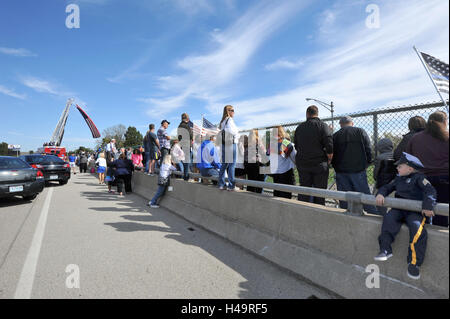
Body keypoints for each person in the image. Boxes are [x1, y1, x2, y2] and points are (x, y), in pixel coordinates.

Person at [374, 152, 437, 280]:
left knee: (417, 228)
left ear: (410, 168)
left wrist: (428, 205)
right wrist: (380, 194)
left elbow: (430, 191)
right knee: (389, 219)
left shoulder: (419, 178)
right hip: (399, 209)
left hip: (414, 212)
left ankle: (414, 263)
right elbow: (387, 187)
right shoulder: (398, 178)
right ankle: (385, 249)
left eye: (400, 166)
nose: (397, 168)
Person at [406, 111, 449, 227]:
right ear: (445, 122)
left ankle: (423, 235)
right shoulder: (447, 136)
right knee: (442, 213)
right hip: (445, 179)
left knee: (424, 211)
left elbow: (408, 160)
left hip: (423, 179)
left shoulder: (415, 138)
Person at [331, 116, 378, 214]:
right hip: (358, 170)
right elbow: (368, 148)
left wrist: (335, 166)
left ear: (340, 124)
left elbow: (332, 154)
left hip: (341, 171)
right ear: (352, 123)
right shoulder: (360, 131)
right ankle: (374, 217)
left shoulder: (335, 135)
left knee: (344, 199)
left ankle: (347, 219)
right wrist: (367, 163)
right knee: (364, 197)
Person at [294, 105, 333, 205]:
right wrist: (329, 158)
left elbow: (296, 146)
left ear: (307, 114)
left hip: (303, 163)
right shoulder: (323, 126)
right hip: (319, 164)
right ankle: (318, 215)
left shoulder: (299, 128)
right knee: (319, 193)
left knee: (304, 191)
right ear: (317, 114)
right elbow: (329, 144)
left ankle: (303, 213)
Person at [269, 126, 296, 199]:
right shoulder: (285, 142)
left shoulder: (272, 144)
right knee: (286, 195)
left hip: (276, 173)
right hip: (285, 172)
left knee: (277, 194)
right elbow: (293, 155)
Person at [218, 105, 239, 191]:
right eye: (232, 110)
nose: (234, 112)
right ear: (228, 111)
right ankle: (231, 185)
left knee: (224, 165)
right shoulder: (229, 120)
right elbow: (233, 131)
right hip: (231, 143)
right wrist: (237, 131)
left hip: (224, 144)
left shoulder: (222, 121)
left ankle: (221, 184)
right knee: (232, 164)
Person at [373, 138, 396, 215]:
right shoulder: (397, 155)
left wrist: (376, 178)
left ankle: (381, 214)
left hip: (381, 184)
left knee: (379, 201)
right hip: (394, 184)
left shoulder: (379, 158)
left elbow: (376, 173)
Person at [178, 113, 194, 181]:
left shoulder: (179, 126)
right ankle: (186, 175)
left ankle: (185, 174)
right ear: (187, 118)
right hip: (187, 144)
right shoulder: (186, 126)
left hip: (182, 144)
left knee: (184, 161)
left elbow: (179, 137)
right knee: (188, 161)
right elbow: (190, 135)